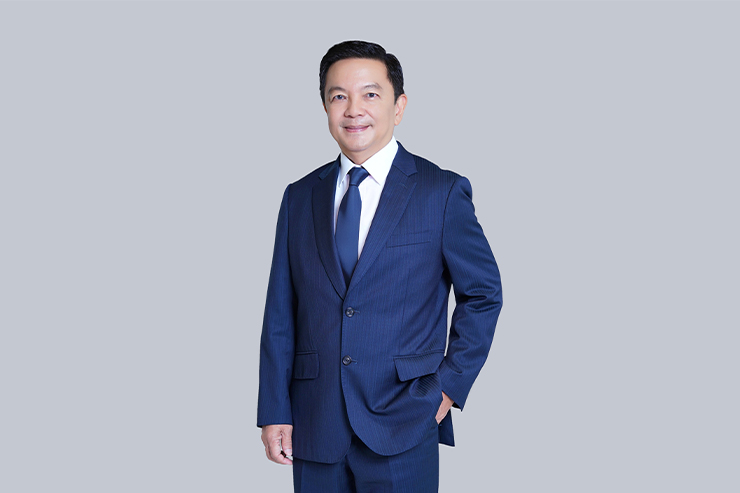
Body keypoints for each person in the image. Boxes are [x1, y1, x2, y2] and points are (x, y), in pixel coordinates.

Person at [257, 40, 503, 493]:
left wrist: (449, 386)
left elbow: (484, 294)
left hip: (404, 418)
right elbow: (280, 312)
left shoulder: (440, 192)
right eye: (338, 96)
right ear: (325, 106)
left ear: (399, 106)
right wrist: (274, 409)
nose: (354, 109)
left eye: (370, 94)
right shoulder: (299, 197)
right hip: (314, 420)